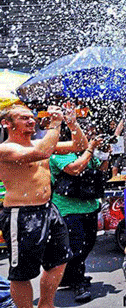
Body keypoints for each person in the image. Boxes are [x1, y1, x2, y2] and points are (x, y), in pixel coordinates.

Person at [0, 104, 88, 308]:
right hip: (21, 214)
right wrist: (56, 124)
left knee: (60, 260)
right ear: (6, 123)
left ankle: (45, 305)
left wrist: (73, 124)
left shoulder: (40, 142)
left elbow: (79, 145)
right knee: (21, 273)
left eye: (31, 117)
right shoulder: (5, 149)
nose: (31, 121)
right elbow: (42, 152)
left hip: (48, 210)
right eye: (23, 118)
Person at [50, 127, 111, 303]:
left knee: (89, 244)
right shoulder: (60, 152)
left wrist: (105, 154)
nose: (87, 138)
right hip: (67, 208)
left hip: (89, 205)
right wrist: (90, 148)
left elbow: (101, 170)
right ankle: (78, 282)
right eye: (83, 137)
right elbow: (75, 169)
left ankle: (69, 275)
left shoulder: (85, 151)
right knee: (77, 246)